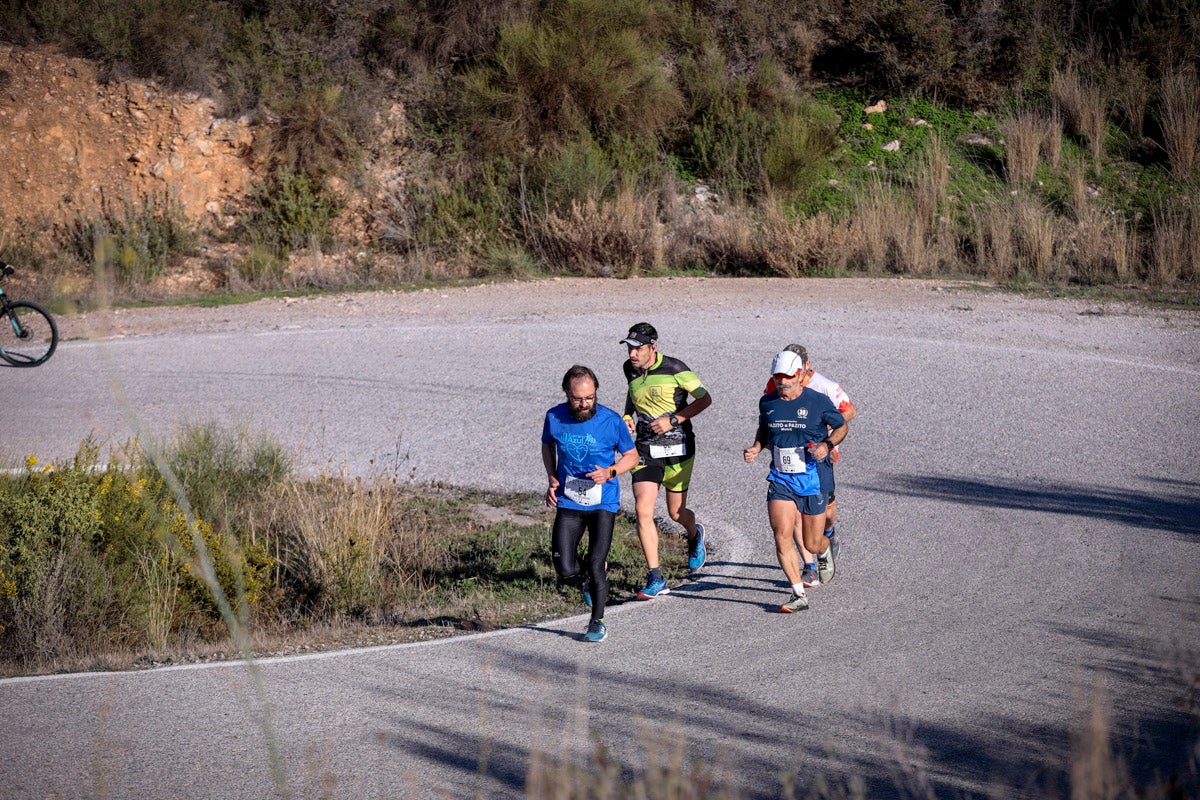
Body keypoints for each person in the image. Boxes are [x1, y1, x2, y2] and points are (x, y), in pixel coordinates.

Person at [542, 365, 639, 642]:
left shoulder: (610, 421)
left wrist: (610, 472)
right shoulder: (554, 417)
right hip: (570, 501)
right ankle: (588, 576)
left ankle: (597, 621)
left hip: (602, 503)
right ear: (567, 394)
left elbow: (631, 457)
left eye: (590, 398)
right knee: (564, 568)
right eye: (578, 399)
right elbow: (547, 445)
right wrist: (551, 477)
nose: (585, 404)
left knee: (597, 564)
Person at [745, 350, 847, 613]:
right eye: (778, 378)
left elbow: (842, 426)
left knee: (812, 544)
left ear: (800, 375)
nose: (783, 383)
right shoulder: (767, 402)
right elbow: (765, 430)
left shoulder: (818, 401)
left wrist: (827, 444)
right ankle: (798, 593)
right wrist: (757, 447)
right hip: (781, 478)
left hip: (812, 477)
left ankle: (824, 550)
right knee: (782, 535)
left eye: (788, 377)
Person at [619, 322, 713, 599]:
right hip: (646, 450)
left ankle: (695, 534)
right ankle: (655, 577)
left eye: (638, 348)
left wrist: (674, 419)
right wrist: (627, 416)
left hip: (677, 449)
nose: (632, 354)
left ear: (653, 347)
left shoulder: (675, 368)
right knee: (643, 510)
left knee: (675, 513)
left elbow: (705, 399)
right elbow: (632, 393)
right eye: (629, 348)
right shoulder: (630, 369)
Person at [763, 344, 857, 587]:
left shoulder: (824, 387)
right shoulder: (777, 385)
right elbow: (771, 415)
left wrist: (821, 432)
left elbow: (848, 413)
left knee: (825, 515)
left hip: (820, 460)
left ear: (806, 366)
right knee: (791, 516)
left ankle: (827, 537)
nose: (783, 381)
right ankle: (809, 566)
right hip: (786, 469)